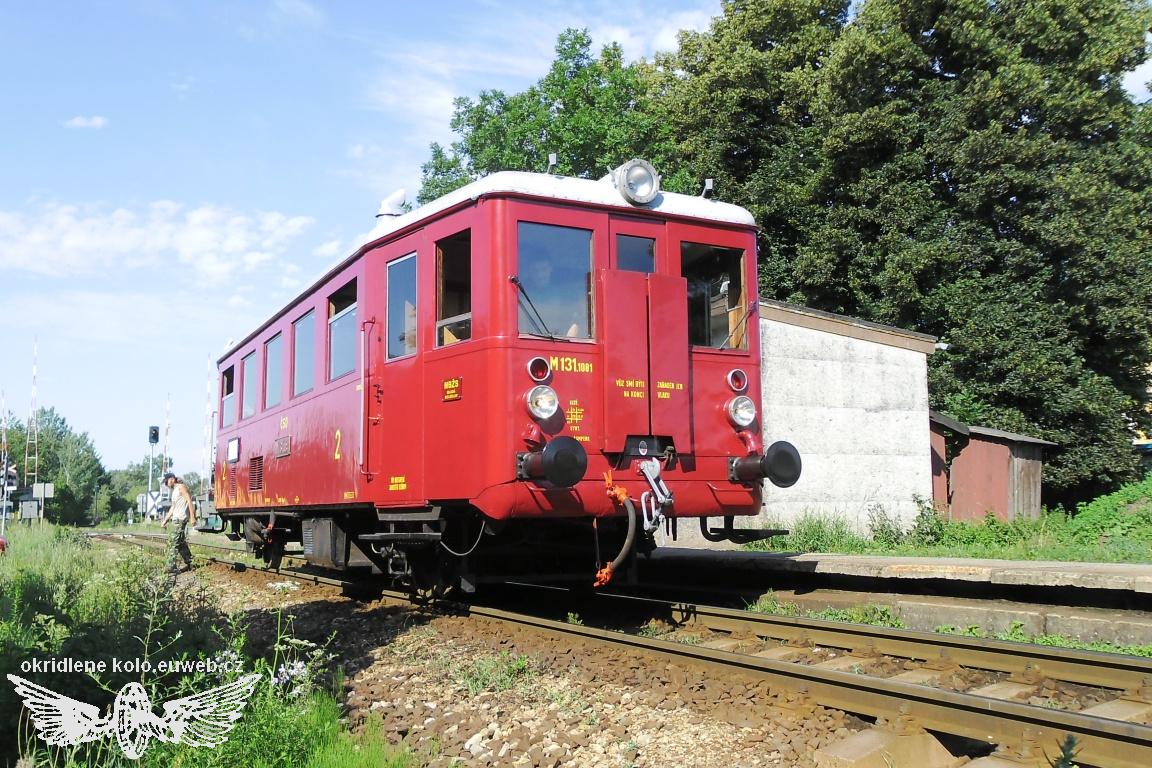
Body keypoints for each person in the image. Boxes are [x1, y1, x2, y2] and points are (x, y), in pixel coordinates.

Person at [160, 473, 196, 573]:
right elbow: (173, 508)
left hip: (181, 518)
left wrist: (192, 517)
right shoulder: (175, 491)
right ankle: (191, 562)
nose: (166, 485)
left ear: (171, 479)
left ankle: (170, 566)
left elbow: (189, 500)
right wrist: (165, 520)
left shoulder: (181, 487)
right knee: (181, 543)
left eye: (166, 482)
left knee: (173, 542)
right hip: (176, 519)